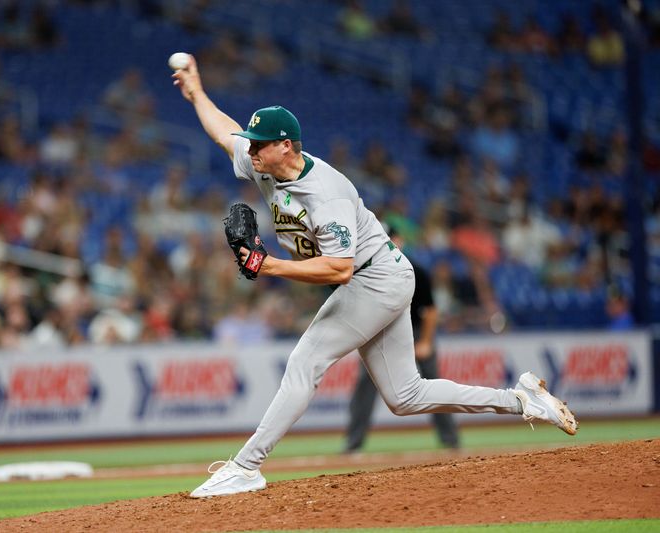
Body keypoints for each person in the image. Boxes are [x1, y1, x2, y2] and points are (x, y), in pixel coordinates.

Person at [171, 55, 578, 499]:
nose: (250, 150)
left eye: (259, 144)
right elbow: (223, 130)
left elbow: (340, 269)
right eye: (251, 144)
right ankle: (522, 400)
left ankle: (247, 466)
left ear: (286, 145)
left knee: (305, 362)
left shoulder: (325, 193)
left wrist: (269, 266)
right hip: (381, 275)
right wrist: (197, 93)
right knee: (405, 396)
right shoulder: (263, 163)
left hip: (372, 277)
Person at [345, 225, 458, 452]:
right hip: (381, 332)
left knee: (433, 382)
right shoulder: (366, 273)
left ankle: (450, 441)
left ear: (400, 241)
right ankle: (353, 444)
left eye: (390, 239)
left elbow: (431, 310)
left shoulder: (416, 271)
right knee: (364, 385)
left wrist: (426, 342)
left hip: (416, 330)